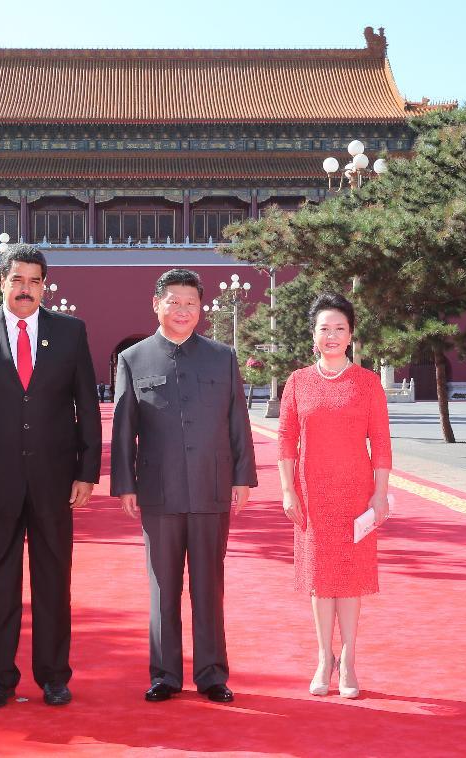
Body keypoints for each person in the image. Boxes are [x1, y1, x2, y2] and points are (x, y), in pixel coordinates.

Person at [0, 244, 102, 709]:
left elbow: (87, 408)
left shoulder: (70, 333)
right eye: (18, 279)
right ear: (2, 282)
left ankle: (54, 675)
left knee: (55, 581)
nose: (26, 289)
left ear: (45, 285)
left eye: (35, 281)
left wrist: (87, 471)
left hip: (56, 481)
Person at [111, 268, 257, 704]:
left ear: (201, 309)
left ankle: (212, 673)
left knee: (210, 585)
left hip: (212, 488)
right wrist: (125, 484)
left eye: (191, 303)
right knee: (163, 586)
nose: (182, 310)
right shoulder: (134, 359)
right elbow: (123, 429)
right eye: (174, 302)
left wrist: (242, 476)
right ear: (156, 304)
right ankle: (165, 674)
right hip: (158, 490)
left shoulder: (221, 357)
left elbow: (238, 421)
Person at [277, 292, 392, 699]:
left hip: (356, 494)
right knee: (320, 580)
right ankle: (324, 657)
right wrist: (288, 490)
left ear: (351, 336)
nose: (331, 335)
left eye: (339, 328)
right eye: (324, 328)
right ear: (313, 335)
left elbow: (380, 442)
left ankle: (350, 661)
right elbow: (287, 439)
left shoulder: (367, 383)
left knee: (351, 579)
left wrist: (380, 495)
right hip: (312, 495)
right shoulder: (298, 382)